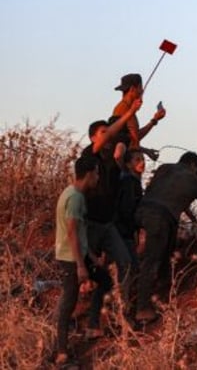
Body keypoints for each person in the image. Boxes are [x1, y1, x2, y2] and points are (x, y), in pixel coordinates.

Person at [134, 151, 197, 323]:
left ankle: (158, 287)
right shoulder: (194, 180)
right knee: (152, 260)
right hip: (160, 218)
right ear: (194, 166)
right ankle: (142, 308)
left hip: (141, 211)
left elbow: (163, 194)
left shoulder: (164, 169)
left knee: (164, 245)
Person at [80, 98, 142, 334]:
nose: (108, 136)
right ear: (93, 138)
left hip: (108, 226)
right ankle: (90, 323)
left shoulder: (113, 162)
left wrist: (152, 122)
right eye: (103, 132)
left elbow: (128, 148)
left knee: (124, 265)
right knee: (91, 277)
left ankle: (120, 316)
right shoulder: (90, 157)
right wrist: (130, 113)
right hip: (90, 225)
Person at [54, 154, 113, 365]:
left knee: (105, 280)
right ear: (89, 174)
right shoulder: (76, 198)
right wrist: (81, 265)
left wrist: (91, 257)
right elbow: (71, 232)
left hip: (75, 255)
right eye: (97, 173)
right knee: (68, 303)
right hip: (70, 258)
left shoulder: (70, 193)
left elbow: (78, 232)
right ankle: (61, 353)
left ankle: (92, 325)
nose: (98, 177)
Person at [111, 73, 166, 160]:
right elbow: (130, 144)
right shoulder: (123, 110)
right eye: (140, 88)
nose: (142, 91)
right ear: (133, 89)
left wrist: (154, 120)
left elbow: (133, 138)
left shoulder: (126, 110)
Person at [116, 148, 145, 269]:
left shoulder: (133, 181)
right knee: (129, 267)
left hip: (125, 231)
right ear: (128, 164)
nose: (142, 163)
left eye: (143, 159)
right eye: (137, 160)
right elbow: (127, 209)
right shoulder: (129, 182)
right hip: (124, 232)